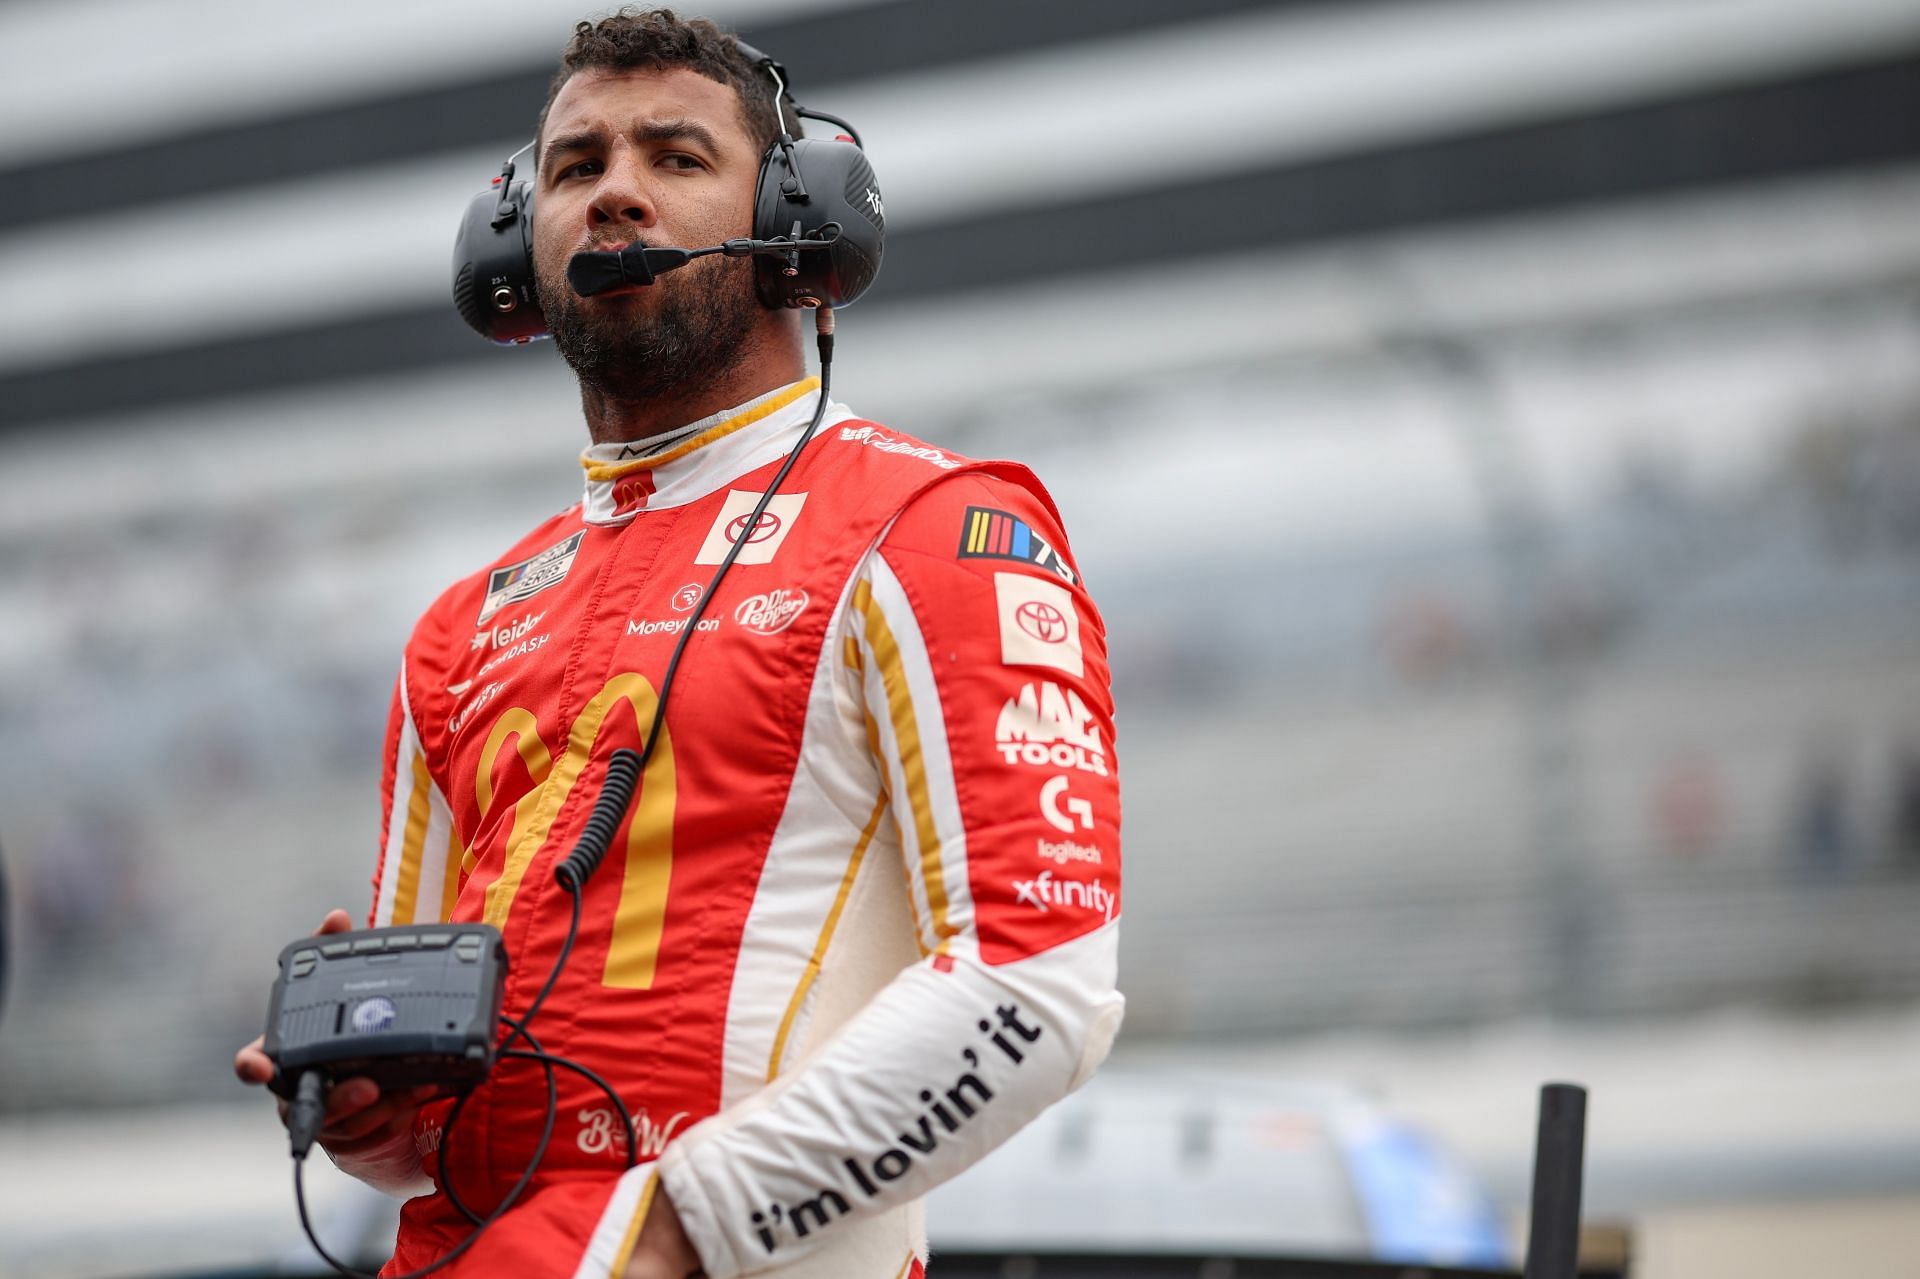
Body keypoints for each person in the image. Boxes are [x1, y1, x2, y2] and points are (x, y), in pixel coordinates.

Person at [234, 11, 1123, 1279]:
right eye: (575, 167)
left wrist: (664, 1232)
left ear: (800, 222)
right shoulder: (459, 626)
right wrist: (370, 1119)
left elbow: (1040, 991)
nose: (616, 197)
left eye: (676, 158)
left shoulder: (940, 527)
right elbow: (418, 1140)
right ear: (510, 242)